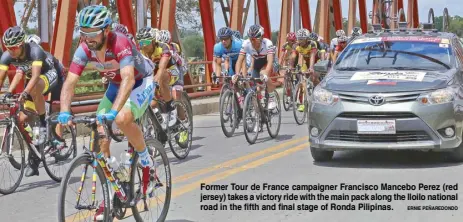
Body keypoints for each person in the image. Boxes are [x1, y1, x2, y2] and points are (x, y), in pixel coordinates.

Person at [57, 6, 156, 220]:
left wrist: (113, 112)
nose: (88, 38)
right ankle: (112, 185)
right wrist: (64, 110)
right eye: (84, 33)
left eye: (93, 33)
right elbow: (70, 82)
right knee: (99, 129)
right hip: (114, 84)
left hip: (140, 81)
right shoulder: (84, 49)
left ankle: (146, 159)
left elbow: (129, 79)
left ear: (106, 29)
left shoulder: (119, 41)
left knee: (121, 118)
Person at [0, 26, 65, 177]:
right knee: (22, 118)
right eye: (8, 47)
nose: (11, 51)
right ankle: (35, 154)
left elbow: (35, 77)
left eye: (14, 47)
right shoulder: (7, 56)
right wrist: (9, 92)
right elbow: (6, 76)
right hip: (34, 82)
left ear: (22, 44)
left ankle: (43, 122)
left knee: (34, 87)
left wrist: (24, 92)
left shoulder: (35, 51)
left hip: (48, 75)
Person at [136, 27, 182, 129]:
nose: (143, 45)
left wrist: (156, 79)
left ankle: (171, 108)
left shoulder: (162, 47)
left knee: (161, 77)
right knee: (152, 103)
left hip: (170, 70)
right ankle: (160, 124)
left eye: (146, 42)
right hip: (154, 73)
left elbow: (161, 68)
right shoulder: (139, 51)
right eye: (140, 42)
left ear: (153, 40)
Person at [235, 24, 278, 110]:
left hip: (268, 62)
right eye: (250, 39)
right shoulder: (246, 43)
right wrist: (237, 74)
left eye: (254, 39)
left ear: (261, 37)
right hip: (257, 63)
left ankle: (272, 96)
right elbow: (239, 60)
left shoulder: (267, 43)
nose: (252, 41)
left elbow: (270, 61)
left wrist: (266, 73)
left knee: (263, 74)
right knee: (256, 87)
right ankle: (260, 111)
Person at [292, 28, 320, 112]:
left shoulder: (312, 43)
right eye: (299, 39)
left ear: (307, 38)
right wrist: (290, 66)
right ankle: (302, 103)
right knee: (302, 82)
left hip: (315, 61)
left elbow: (312, 56)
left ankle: (319, 92)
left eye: (302, 39)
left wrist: (311, 68)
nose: (300, 41)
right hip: (306, 63)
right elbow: (293, 57)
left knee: (314, 78)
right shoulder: (296, 45)